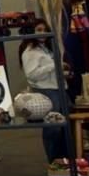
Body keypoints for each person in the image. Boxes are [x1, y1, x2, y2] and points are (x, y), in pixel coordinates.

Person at [19, 19, 67, 162]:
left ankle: (62, 160)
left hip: (58, 89)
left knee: (62, 128)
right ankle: (53, 161)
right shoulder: (30, 51)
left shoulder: (46, 48)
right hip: (47, 92)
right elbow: (32, 74)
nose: (42, 33)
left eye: (44, 29)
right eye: (39, 29)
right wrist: (53, 66)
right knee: (53, 129)